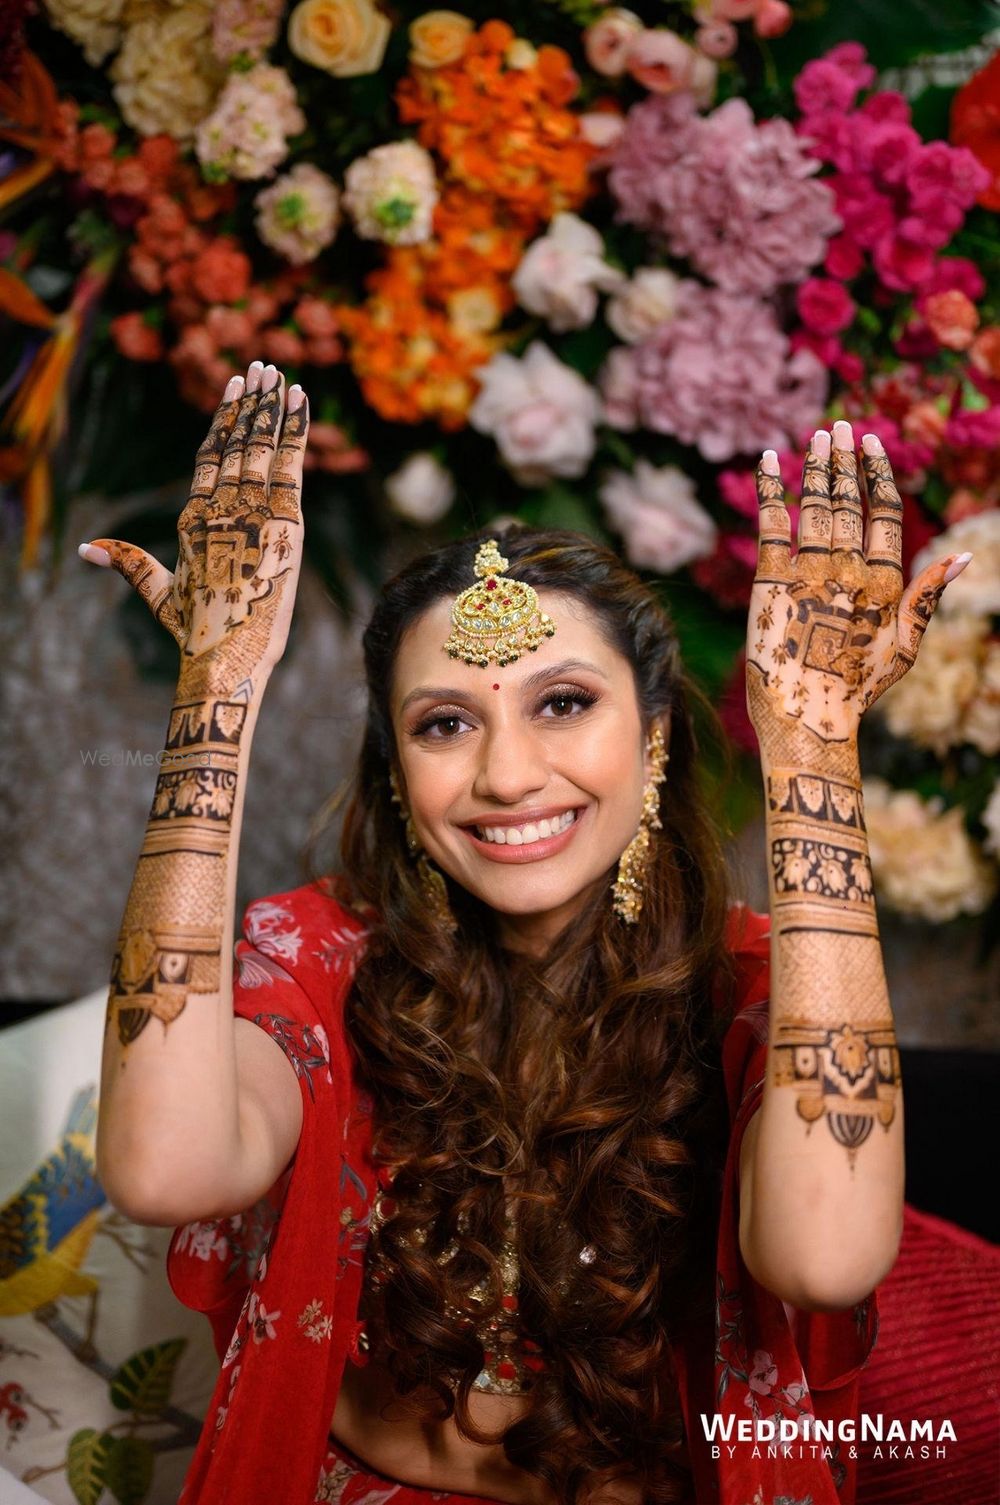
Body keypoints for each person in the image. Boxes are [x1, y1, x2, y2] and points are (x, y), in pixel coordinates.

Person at [82, 359, 972, 1505]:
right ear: (399, 775)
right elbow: (163, 1168)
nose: (506, 776)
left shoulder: (758, 988)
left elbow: (824, 1258)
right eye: (445, 723)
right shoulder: (312, 964)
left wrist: (810, 748)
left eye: (563, 703)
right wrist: (215, 692)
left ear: (653, 738)